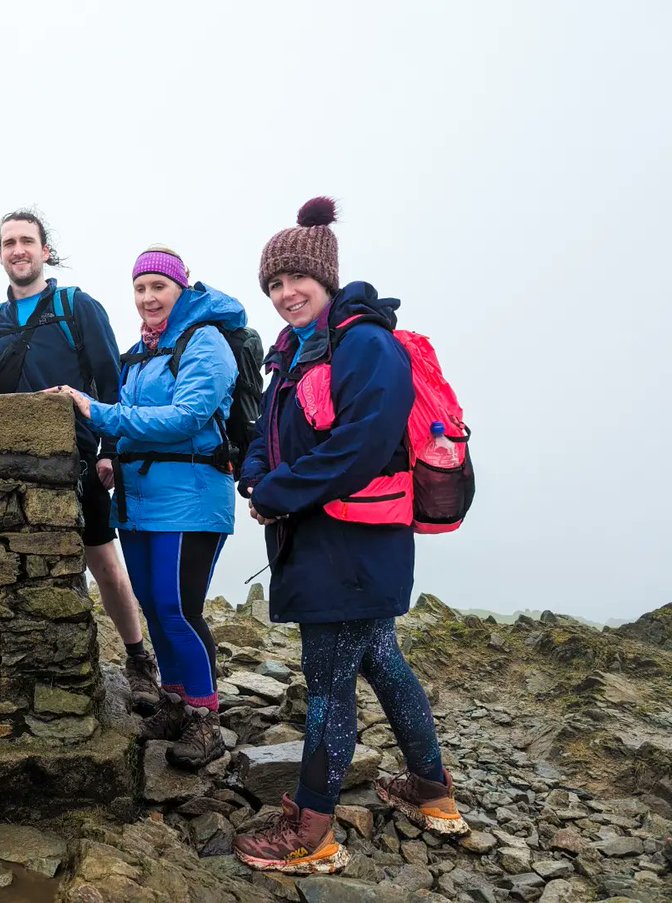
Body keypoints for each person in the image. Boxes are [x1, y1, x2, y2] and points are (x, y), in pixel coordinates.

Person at [231, 199, 468, 874]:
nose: (283, 293)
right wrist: (255, 477)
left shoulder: (365, 343)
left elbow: (362, 445)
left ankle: (313, 833)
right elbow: (266, 436)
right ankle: (433, 792)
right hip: (333, 546)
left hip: (353, 547)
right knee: (382, 663)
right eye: (273, 284)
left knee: (329, 685)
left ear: (326, 276)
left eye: (293, 279)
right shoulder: (294, 354)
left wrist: (278, 494)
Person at [50, 246, 242, 769]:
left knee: (179, 608)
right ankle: (175, 703)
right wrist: (114, 456)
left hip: (192, 498)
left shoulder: (207, 342)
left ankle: (205, 719)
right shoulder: (140, 351)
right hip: (137, 500)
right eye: (140, 288)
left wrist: (99, 413)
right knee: (155, 608)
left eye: (158, 286)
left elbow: (187, 417)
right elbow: (134, 417)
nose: (148, 297)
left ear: (180, 288)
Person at [0, 209, 158, 711]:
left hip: (76, 457)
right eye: (8, 242)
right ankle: (21, 662)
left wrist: (111, 452)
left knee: (103, 561)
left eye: (26, 240)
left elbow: (110, 385)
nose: (18, 250)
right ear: (1, 254)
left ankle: (138, 659)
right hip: (10, 467)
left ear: (45, 250)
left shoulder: (77, 306)